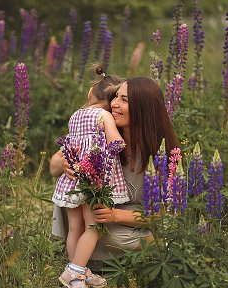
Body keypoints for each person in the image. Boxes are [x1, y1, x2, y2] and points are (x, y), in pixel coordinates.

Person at [50, 76, 179, 270]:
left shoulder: (163, 151)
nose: (114, 104)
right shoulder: (102, 133)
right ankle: (84, 261)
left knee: (110, 235)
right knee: (73, 202)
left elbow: (160, 213)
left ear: (142, 109)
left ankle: (86, 259)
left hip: (134, 218)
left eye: (124, 100)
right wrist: (65, 163)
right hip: (97, 216)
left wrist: (115, 215)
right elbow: (54, 167)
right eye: (115, 97)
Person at [52, 65, 129, 288]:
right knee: (94, 227)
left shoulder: (75, 116)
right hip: (92, 179)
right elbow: (115, 143)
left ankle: (80, 270)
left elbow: (70, 145)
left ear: (90, 93)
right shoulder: (104, 115)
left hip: (71, 179)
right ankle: (74, 273)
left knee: (74, 228)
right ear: (111, 101)